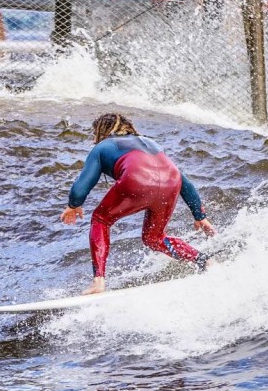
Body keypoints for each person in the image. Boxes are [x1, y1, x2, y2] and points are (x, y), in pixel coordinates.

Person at [60, 113, 216, 295]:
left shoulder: (102, 147)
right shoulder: (152, 143)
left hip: (137, 179)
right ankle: (205, 261)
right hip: (171, 182)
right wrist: (199, 215)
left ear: (101, 131)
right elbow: (185, 182)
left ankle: (98, 282)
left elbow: (82, 186)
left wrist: (73, 204)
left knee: (100, 220)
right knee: (154, 237)